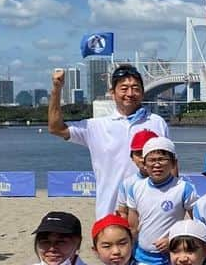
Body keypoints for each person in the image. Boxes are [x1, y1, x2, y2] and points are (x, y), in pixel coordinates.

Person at [48, 64, 169, 219]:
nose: (130, 93)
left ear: (142, 92)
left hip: (151, 213)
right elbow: (55, 128)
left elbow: (170, 166)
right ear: (112, 93)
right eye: (124, 88)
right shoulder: (96, 126)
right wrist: (57, 89)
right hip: (109, 213)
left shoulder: (157, 122)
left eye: (135, 88)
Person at [125, 137, 198, 265]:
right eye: (152, 160)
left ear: (173, 163)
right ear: (144, 164)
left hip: (170, 259)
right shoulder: (135, 188)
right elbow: (133, 227)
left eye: (162, 159)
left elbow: (196, 224)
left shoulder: (184, 188)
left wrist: (173, 238)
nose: (157, 164)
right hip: (141, 257)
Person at [115, 129, 157, 217]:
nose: (143, 158)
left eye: (148, 153)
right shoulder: (127, 184)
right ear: (132, 157)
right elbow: (123, 212)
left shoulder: (177, 185)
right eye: (138, 153)